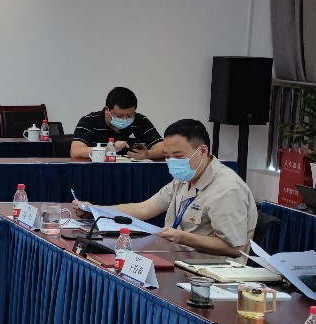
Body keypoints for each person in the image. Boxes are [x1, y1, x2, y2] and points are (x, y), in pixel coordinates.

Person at [103, 118, 256, 256]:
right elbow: (144, 208)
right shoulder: (185, 178)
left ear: (202, 151)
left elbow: (236, 249)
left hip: (212, 269)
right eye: (167, 156)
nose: (171, 162)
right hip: (179, 257)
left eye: (178, 156)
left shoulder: (227, 189)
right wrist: (96, 210)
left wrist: (184, 238)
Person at [71, 86, 164, 160]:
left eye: (130, 115)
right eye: (119, 115)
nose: (124, 119)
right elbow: (76, 151)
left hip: (133, 172)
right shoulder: (89, 121)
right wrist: (109, 149)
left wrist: (148, 154)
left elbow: (163, 148)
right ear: (107, 110)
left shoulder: (140, 121)